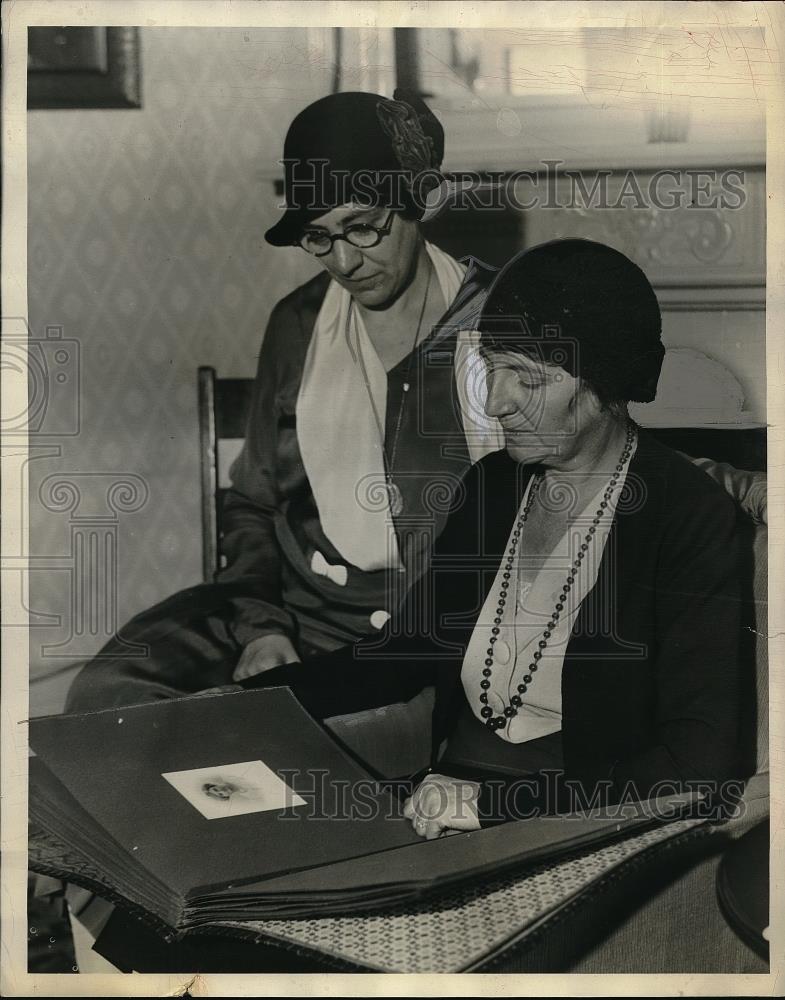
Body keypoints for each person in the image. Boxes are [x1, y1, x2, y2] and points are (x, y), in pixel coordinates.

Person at [256, 239, 744, 837]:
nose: (495, 401)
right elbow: (406, 651)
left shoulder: (689, 521)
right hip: (440, 804)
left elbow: (700, 769)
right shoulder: (492, 487)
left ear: (604, 383)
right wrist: (244, 702)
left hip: (578, 830)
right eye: (491, 367)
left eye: (526, 378)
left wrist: (491, 807)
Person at [66, 90, 502, 712]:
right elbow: (252, 502)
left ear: (418, 200)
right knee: (111, 696)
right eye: (318, 238)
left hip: (442, 636)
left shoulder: (502, 321)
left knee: (322, 738)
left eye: (363, 227)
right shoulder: (298, 324)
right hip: (304, 620)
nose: (345, 261)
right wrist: (264, 628)